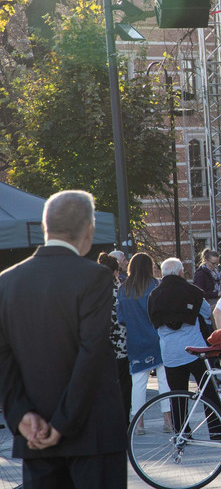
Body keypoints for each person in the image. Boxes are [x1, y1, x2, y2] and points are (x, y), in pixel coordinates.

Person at [0, 190, 127, 488]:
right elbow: (91, 351)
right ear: (89, 229)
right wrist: (62, 423)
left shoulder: (7, 282)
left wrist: (20, 415)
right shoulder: (94, 276)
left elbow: (3, 357)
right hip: (91, 434)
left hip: (33, 434)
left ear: (45, 227)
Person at [148, 258, 221, 441]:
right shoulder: (193, 292)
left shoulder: (154, 295)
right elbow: (207, 313)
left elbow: (152, 321)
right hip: (195, 349)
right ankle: (216, 430)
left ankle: (182, 432)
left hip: (170, 352)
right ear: (181, 272)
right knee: (208, 391)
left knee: (177, 393)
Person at [118, 253, 171, 433]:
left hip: (135, 340)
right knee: (164, 381)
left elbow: (121, 318)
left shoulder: (123, 289)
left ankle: (138, 423)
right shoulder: (156, 285)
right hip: (157, 338)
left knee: (138, 383)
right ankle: (167, 421)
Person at [99, 252, 132, 425]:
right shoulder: (116, 289)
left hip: (101, 346)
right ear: (114, 271)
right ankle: (123, 421)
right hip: (120, 344)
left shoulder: (93, 289)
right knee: (124, 386)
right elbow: (121, 316)